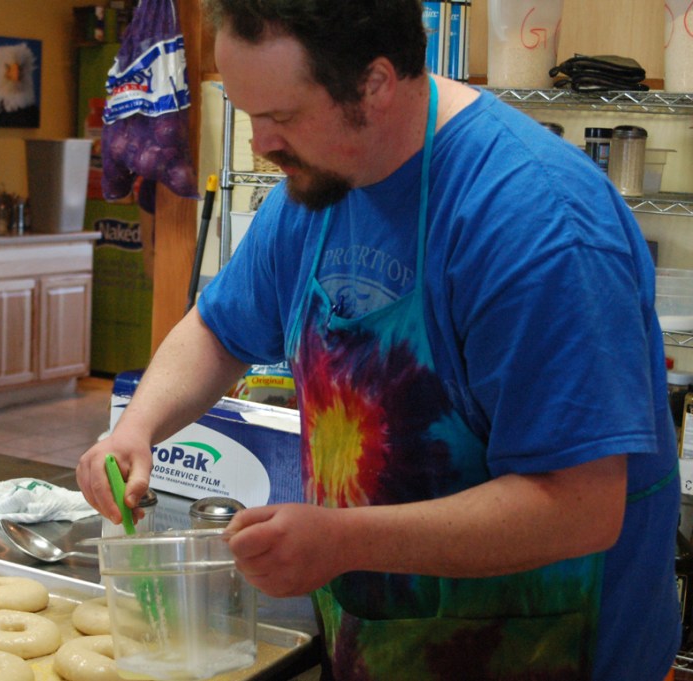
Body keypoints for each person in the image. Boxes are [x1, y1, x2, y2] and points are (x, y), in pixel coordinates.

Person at [76, 1, 682, 678]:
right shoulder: (318, 187)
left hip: (551, 648)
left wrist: (342, 541)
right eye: (248, 115)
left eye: (282, 117)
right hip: (385, 643)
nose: (260, 144)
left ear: (375, 84)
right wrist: (138, 427)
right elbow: (219, 330)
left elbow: (579, 507)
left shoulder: (535, 225)